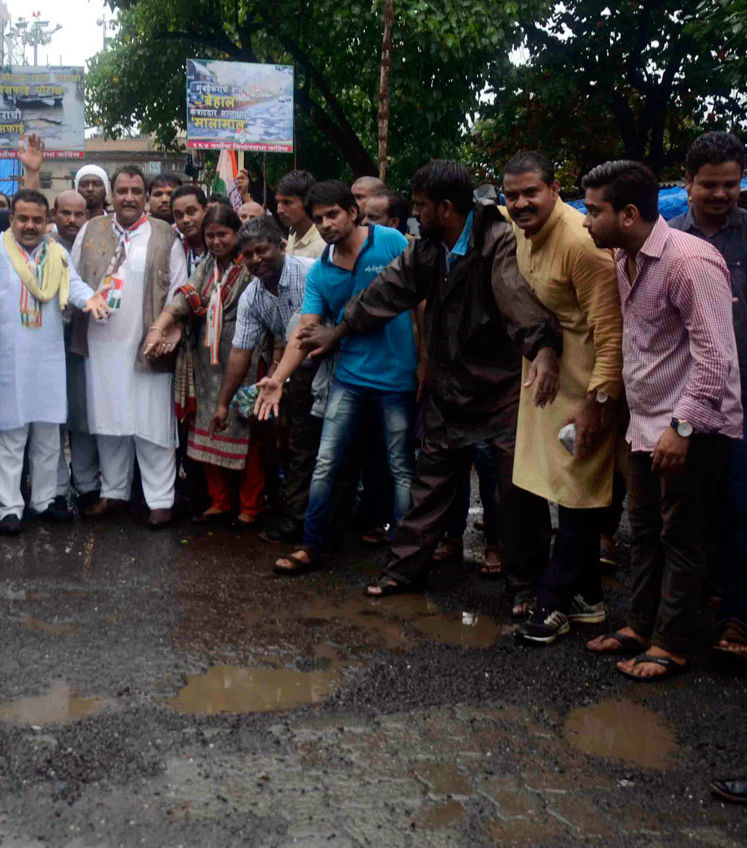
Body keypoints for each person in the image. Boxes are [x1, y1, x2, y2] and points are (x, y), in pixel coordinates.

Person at [298, 161, 562, 605]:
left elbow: (517, 299)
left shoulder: (495, 242)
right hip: (449, 385)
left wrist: (544, 349)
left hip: (499, 391)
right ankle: (403, 572)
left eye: (421, 206)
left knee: (515, 493)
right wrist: (338, 331)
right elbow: (385, 292)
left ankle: (526, 588)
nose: (415, 213)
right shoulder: (427, 249)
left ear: (444, 207)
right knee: (429, 486)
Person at [580, 160, 742, 680]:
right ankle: (639, 626)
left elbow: (717, 358)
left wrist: (683, 428)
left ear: (628, 214)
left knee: (683, 534)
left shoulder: (689, 262)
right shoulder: (626, 259)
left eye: (593, 210)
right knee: (645, 530)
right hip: (647, 425)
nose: (585, 221)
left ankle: (670, 644)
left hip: (690, 431)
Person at [256, 180, 416, 574]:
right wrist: (279, 377)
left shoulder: (392, 242)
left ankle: (405, 557)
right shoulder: (321, 272)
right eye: (319, 218)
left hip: (398, 378)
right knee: (325, 463)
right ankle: (312, 546)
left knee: (401, 469)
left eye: (333, 215)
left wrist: (425, 359)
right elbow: (303, 333)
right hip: (349, 379)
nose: (326, 224)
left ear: (352, 212)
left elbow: (421, 302)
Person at [496, 152, 623, 645]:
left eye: (532, 192)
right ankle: (588, 599)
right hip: (547, 379)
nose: (521, 203)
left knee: (578, 495)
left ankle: (551, 603)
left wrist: (599, 404)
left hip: (590, 387)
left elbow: (612, 337)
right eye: (512, 196)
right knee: (556, 485)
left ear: (554, 189)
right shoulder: (515, 224)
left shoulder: (581, 244)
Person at [0, 189, 110, 534]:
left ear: (47, 223)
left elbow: (73, 285)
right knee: (8, 434)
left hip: (47, 359)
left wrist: (89, 298)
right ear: (12, 219)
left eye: (36, 220)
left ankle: (44, 501)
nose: (29, 225)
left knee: (47, 435)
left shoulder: (57, 253)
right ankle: (9, 507)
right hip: (8, 360)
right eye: (23, 218)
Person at [70, 165, 189, 527]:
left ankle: (160, 499)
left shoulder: (165, 234)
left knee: (151, 423)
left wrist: (166, 329)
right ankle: (115, 493)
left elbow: (179, 289)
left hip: (148, 343)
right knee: (109, 422)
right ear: (112, 195)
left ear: (147, 195)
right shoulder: (91, 231)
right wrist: (85, 299)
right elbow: (72, 276)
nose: (129, 198)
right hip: (101, 343)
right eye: (122, 190)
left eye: (137, 191)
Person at [666, 132, 747, 660]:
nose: (721, 194)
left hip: (742, 398)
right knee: (690, 507)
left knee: (741, 503)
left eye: (731, 184)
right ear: (687, 184)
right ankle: (693, 602)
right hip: (687, 397)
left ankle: (737, 616)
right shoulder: (669, 239)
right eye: (709, 185)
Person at [144, 203, 266, 526]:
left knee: (247, 433)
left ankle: (250, 506)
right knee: (209, 428)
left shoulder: (251, 265)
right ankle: (219, 501)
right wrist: (160, 326)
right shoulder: (208, 266)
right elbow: (185, 296)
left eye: (223, 234)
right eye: (210, 235)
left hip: (248, 361)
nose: (215, 242)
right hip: (207, 363)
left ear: (237, 233)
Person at [211, 217, 314, 543]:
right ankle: (300, 524)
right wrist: (223, 403)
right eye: (248, 255)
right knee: (299, 450)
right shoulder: (252, 297)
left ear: (281, 245)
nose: (256, 261)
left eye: (263, 251)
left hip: (343, 369)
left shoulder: (312, 273)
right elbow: (240, 352)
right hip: (295, 378)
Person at [49, 189, 101, 518]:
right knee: (51, 417)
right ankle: (53, 488)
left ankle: (86, 485)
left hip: (84, 340)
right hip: (46, 343)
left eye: (78, 214)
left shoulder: (97, 243)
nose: (71, 220)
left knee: (81, 415)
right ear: (54, 214)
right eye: (65, 213)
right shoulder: (42, 243)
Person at [275, 170, 325, 259]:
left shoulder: (322, 246)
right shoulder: (293, 232)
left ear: (307, 202)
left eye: (287, 202)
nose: (279, 210)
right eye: (278, 202)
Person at [171, 184, 209, 275]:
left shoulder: (223, 247)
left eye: (191, 212)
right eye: (179, 215)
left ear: (205, 211)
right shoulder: (174, 250)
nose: (185, 220)